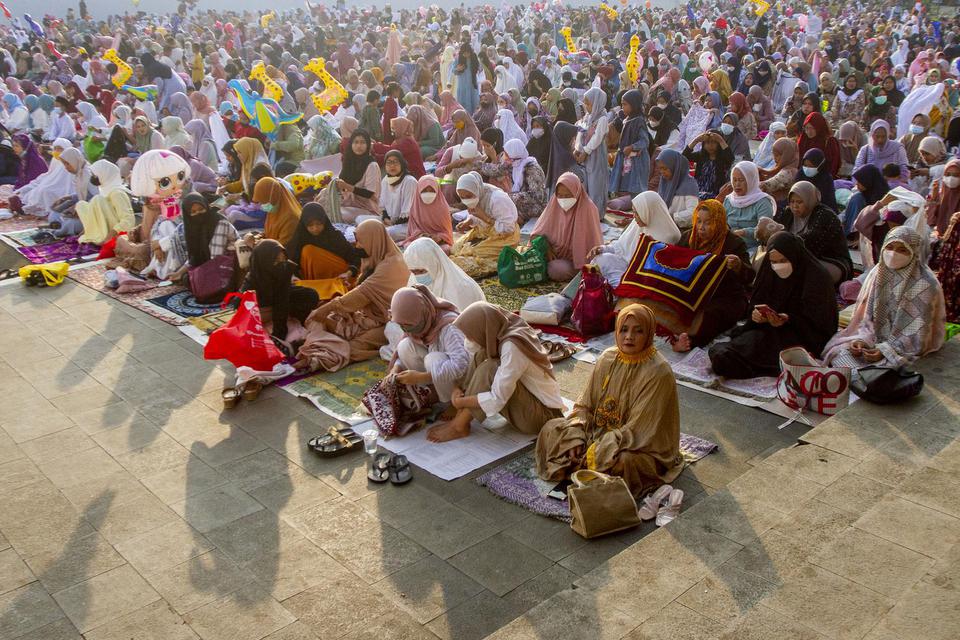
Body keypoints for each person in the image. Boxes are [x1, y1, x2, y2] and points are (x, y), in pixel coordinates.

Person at [536, 303, 683, 497]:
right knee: (551, 428)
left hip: (636, 444)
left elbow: (639, 430)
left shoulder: (658, 371)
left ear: (648, 334)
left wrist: (601, 450)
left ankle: (585, 469)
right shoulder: (607, 357)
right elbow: (584, 405)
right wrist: (577, 433)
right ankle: (589, 469)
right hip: (597, 433)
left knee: (625, 462)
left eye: (638, 331)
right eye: (623, 329)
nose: (629, 337)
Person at [426, 301, 564, 443]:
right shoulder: (502, 328)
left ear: (483, 328)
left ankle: (459, 424)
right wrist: (457, 389)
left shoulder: (512, 346)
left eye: (470, 335)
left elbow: (497, 398)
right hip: (530, 405)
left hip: (543, 416)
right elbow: (475, 364)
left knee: (490, 368)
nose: (468, 340)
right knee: (481, 355)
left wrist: (461, 401)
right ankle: (460, 417)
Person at [708, 232, 838, 379]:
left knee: (766, 348)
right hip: (767, 329)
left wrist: (788, 319)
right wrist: (757, 315)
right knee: (730, 350)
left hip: (801, 335)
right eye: (774, 262)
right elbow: (757, 301)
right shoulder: (769, 270)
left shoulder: (817, 277)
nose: (778, 266)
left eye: (783, 260)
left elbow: (820, 323)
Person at [824, 225, 945, 371]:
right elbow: (867, 318)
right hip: (875, 338)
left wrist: (886, 351)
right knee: (839, 354)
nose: (893, 254)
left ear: (914, 252)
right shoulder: (878, 273)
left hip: (903, 346)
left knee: (888, 369)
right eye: (890, 247)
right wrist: (862, 341)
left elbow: (918, 334)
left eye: (902, 250)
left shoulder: (925, 283)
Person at [297, 219, 411, 369]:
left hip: (387, 321)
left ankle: (320, 358)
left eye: (360, 241)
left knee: (356, 344)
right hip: (366, 314)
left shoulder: (391, 265)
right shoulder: (374, 256)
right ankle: (316, 345)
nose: (357, 246)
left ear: (373, 240)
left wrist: (328, 307)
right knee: (326, 320)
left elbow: (361, 293)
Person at [672, 200, 753, 352]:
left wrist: (738, 266)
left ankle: (690, 341)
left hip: (726, 297)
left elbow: (749, 278)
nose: (701, 227)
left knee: (709, 316)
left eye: (708, 223)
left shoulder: (734, 243)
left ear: (719, 222)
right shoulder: (688, 238)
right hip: (694, 293)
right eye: (698, 221)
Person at [388, 285, 471, 408]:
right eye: (401, 324)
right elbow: (404, 351)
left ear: (422, 314)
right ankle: (432, 391)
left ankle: (452, 403)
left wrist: (421, 377)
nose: (406, 328)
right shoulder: (418, 323)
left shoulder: (449, 327)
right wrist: (395, 369)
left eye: (408, 324)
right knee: (404, 346)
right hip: (439, 375)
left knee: (433, 359)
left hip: (461, 381)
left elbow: (462, 366)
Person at [588, 191, 681, 288]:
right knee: (600, 259)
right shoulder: (639, 223)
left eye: (637, 213)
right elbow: (621, 246)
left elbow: (650, 271)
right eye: (634, 212)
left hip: (640, 276)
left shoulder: (667, 237)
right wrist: (603, 249)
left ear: (647, 212)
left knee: (619, 286)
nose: (634, 216)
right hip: (626, 265)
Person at [772, 181, 852, 284]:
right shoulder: (788, 213)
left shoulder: (825, 215)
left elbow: (810, 242)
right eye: (792, 202)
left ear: (809, 200)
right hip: (794, 257)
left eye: (799, 202)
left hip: (828, 261)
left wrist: (783, 240)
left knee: (797, 268)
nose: (795, 206)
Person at [531, 172, 603, 282]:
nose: (563, 199)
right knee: (529, 259)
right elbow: (537, 233)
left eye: (568, 196)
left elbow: (592, 245)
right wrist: (546, 247)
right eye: (560, 195)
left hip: (575, 261)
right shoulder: (554, 204)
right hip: (554, 254)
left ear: (577, 192)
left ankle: (580, 274)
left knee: (555, 269)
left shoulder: (588, 208)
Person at [244, 239, 320, 342]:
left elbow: (281, 300)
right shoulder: (253, 279)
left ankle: (292, 320)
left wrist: (279, 334)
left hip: (278, 300)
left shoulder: (283, 268)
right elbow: (240, 307)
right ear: (263, 261)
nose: (281, 264)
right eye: (275, 261)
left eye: (282, 260)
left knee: (310, 295)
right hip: (262, 308)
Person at [449, 171, 520, 278]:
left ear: (476, 190)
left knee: (474, 255)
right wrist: (469, 221)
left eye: (468, 196)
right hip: (484, 231)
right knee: (455, 249)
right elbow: (475, 216)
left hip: (505, 236)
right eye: (462, 197)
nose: (466, 200)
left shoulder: (497, 199)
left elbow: (508, 228)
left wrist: (485, 217)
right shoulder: (478, 193)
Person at [403, 237, 485, 311]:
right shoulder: (413, 281)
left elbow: (462, 322)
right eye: (414, 272)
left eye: (421, 271)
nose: (418, 277)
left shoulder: (462, 288)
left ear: (434, 263)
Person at [285, 203, 362, 281]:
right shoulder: (300, 237)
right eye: (310, 225)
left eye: (318, 224)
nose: (315, 228)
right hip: (311, 281)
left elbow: (355, 257)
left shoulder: (334, 235)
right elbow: (290, 261)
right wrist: (292, 276)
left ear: (324, 221)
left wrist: (348, 273)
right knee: (307, 250)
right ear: (304, 225)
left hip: (338, 277)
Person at [173, 192, 238, 281]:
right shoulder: (195, 228)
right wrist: (179, 273)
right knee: (186, 278)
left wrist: (201, 273)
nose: (198, 213)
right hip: (211, 263)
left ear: (206, 206)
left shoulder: (219, 223)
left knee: (193, 279)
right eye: (193, 212)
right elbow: (195, 256)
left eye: (201, 209)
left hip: (227, 264)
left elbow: (216, 258)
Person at [76, 160, 135, 244]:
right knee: (81, 205)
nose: (93, 178)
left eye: (95, 175)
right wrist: (87, 230)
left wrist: (109, 237)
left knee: (97, 199)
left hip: (114, 233)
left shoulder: (117, 193)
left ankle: (100, 237)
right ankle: (93, 234)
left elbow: (128, 220)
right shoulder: (105, 190)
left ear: (104, 174)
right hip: (105, 229)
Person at [722, 161, 776, 249]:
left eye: (741, 180)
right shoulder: (729, 200)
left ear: (751, 180)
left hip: (753, 248)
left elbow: (766, 230)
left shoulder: (763, 202)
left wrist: (744, 232)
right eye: (734, 180)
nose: (737, 184)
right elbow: (722, 223)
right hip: (729, 246)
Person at [609, 89, 651, 202]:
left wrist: (632, 147)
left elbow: (644, 141)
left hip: (637, 160)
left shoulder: (639, 121)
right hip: (628, 159)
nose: (623, 107)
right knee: (628, 188)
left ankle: (639, 213)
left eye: (625, 104)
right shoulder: (627, 119)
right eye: (622, 104)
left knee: (636, 190)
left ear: (634, 104)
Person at [575, 87, 609, 215]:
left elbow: (597, 138)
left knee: (596, 183)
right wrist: (577, 148)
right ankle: (586, 212)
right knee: (585, 182)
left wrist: (586, 152)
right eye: (585, 103)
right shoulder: (587, 117)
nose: (586, 106)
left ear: (596, 103)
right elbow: (580, 132)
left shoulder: (602, 119)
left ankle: (596, 213)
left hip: (595, 154)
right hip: (585, 154)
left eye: (588, 103)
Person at [337, 130, 382, 224]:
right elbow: (341, 182)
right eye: (356, 142)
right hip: (349, 203)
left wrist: (346, 186)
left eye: (362, 142)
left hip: (367, 208)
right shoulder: (349, 161)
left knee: (337, 213)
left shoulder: (371, 165)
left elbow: (369, 193)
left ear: (368, 145)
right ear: (351, 144)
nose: (359, 146)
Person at [654, 148, 700, 230]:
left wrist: (671, 217)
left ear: (675, 167)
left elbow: (693, 213)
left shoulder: (689, 185)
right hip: (663, 224)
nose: (662, 172)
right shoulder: (665, 182)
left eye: (665, 168)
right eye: (660, 169)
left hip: (680, 229)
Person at [378, 150, 418, 242]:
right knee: (362, 220)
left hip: (408, 224)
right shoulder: (385, 180)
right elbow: (382, 205)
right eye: (389, 162)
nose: (392, 166)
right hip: (390, 222)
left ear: (402, 164)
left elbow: (408, 213)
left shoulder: (409, 181)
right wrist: (385, 218)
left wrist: (392, 224)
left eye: (395, 162)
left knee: (386, 233)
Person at [684, 130, 734, 202]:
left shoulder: (723, 158)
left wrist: (720, 140)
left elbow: (731, 158)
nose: (710, 145)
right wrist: (696, 140)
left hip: (715, 193)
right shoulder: (700, 156)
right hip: (697, 190)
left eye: (714, 142)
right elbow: (684, 156)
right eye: (707, 142)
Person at [252, 176, 302, 246]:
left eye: (263, 201)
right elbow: (268, 234)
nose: (261, 205)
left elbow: (281, 246)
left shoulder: (291, 217)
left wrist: (258, 244)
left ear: (273, 197)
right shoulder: (274, 211)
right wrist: (257, 237)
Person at [843, 165, 890, 238]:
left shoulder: (885, 197)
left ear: (868, 180)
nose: (856, 184)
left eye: (860, 181)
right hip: (856, 236)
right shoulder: (859, 197)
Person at [797, 112, 840, 178]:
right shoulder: (803, 139)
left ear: (819, 127)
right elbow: (799, 160)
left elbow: (834, 164)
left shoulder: (829, 141)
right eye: (807, 128)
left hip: (823, 179)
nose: (809, 131)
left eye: (812, 128)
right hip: (803, 177)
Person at [758, 137, 800, 204]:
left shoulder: (788, 173)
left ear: (786, 155)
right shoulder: (785, 168)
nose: (774, 158)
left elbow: (767, 185)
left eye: (777, 155)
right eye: (774, 155)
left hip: (779, 206)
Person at [796, 148, 838, 213]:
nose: (807, 169)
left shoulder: (826, 178)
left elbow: (828, 202)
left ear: (820, 166)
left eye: (811, 166)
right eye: (805, 165)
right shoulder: (800, 174)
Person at [927, 159, 960, 236]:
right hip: (938, 239)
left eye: (956, 175)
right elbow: (930, 220)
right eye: (948, 174)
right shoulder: (941, 194)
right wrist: (933, 198)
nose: (951, 178)